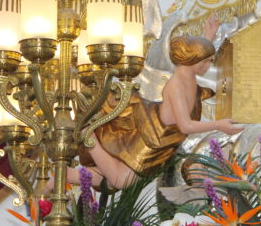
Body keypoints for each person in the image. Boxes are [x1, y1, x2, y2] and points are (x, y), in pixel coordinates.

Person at [75, 17, 242, 189]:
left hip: (165, 142)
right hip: (152, 136)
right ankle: (91, 138)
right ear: (193, 58)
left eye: (210, 61)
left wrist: (209, 36)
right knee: (121, 181)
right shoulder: (177, 85)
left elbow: (200, 55)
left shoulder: (189, 75)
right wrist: (218, 125)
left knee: (110, 182)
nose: (208, 65)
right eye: (206, 61)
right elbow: (185, 126)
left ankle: (65, 176)